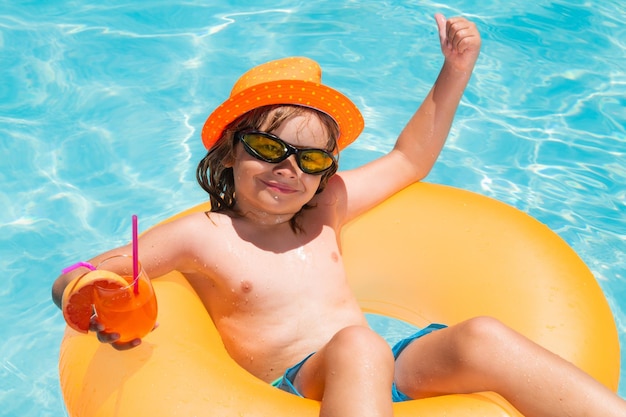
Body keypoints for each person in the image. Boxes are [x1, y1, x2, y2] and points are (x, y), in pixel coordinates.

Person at [52, 14, 626, 417]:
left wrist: (456, 68)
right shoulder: (203, 235)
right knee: (359, 346)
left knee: (481, 336)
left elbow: (411, 157)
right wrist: (98, 301)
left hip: (384, 372)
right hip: (295, 390)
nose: (289, 169)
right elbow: (86, 271)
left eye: (311, 158)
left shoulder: (327, 209)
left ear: (325, 172)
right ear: (230, 153)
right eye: (269, 149)